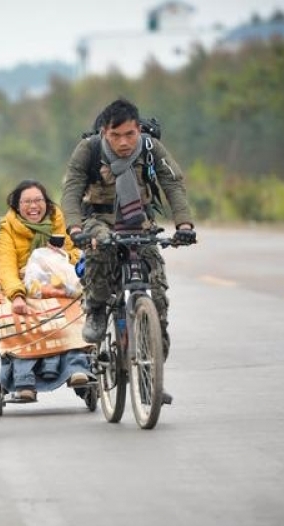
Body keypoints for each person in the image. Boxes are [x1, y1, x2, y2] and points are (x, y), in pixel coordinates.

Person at [60, 97, 197, 360]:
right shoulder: (88, 150)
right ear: (104, 132)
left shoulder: (151, 147)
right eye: (116, 135)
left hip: (140, 222)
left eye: (130, 134)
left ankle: (153, 355)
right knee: (100, 247)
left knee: (157, 288)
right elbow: (72, 189)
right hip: (98, 219)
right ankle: (97, 308)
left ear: (139, 130)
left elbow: (172, 183)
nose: (124, 142)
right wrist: (75, 229)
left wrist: (184, 224)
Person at [0, 179, 94, 402]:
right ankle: (24, 378)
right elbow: (6, 267)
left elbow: (75, 254)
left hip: (58, 282)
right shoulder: (7, 229)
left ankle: (76, 368)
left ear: (46, 203)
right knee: (14, 316)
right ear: (17, 205)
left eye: (38, 200)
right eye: (27, 201)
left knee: (74, 310)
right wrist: (17, 296)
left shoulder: (58, 220)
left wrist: (61, 254)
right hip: (22, 286)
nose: (33, 206)